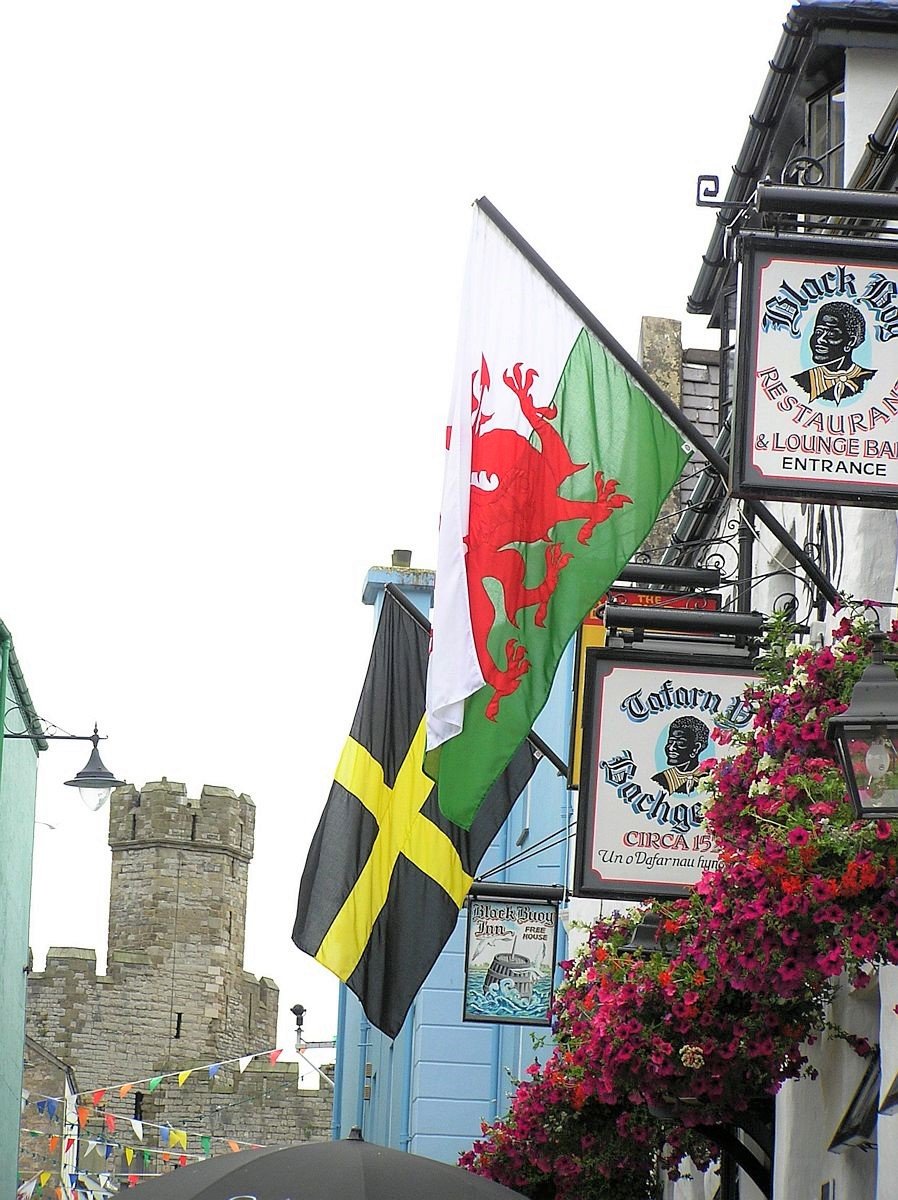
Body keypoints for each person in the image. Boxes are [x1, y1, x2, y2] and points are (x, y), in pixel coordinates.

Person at [792, 301, 876, 404]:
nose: (820, 340)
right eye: (818, 332)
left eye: (831, 334)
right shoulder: (800, 381)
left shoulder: (871, 379)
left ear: (851, 342)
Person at [651, 715, 711, 795]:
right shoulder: (659, 780)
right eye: (670, 742)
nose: (671, 748)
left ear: (696, 748)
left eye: (680, 743)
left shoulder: (712, 776)